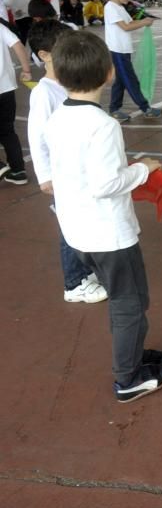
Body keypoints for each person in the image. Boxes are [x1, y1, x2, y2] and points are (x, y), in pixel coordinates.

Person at [44, 31, 162, 402]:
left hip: (77, 230)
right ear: (108, 73)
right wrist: (144, 168)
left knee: (129, 299)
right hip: (108, 236)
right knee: (130, 303)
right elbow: (106, 184)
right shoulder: (103, 126)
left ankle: (133, 356)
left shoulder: (58, 118)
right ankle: (128, 376)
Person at [26, 19, 109, 303]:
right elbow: (37, 138)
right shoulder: (43, 92)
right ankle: (74, 283)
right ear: (45, 55)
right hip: (62, 175)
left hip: (79, 170)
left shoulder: (66, 85)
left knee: (82, 223)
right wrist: (45, 175)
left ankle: (86, 273)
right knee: (68, 228)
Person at [103, 0, 162, 121]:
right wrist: (143, 22)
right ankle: (145, 108)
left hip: (123, 50)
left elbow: (130, 22)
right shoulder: (110, 7)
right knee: (130, 80)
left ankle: (114, 109)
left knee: (121, 81)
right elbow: (125, 26)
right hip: (117, 51)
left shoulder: (120, 8)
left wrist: (145, 21)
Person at [0, 18, 32, 185]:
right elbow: (18, 45)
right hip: (6, 88)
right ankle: (18, 171)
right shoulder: (1, 27)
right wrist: (26, 70)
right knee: (7, 131)